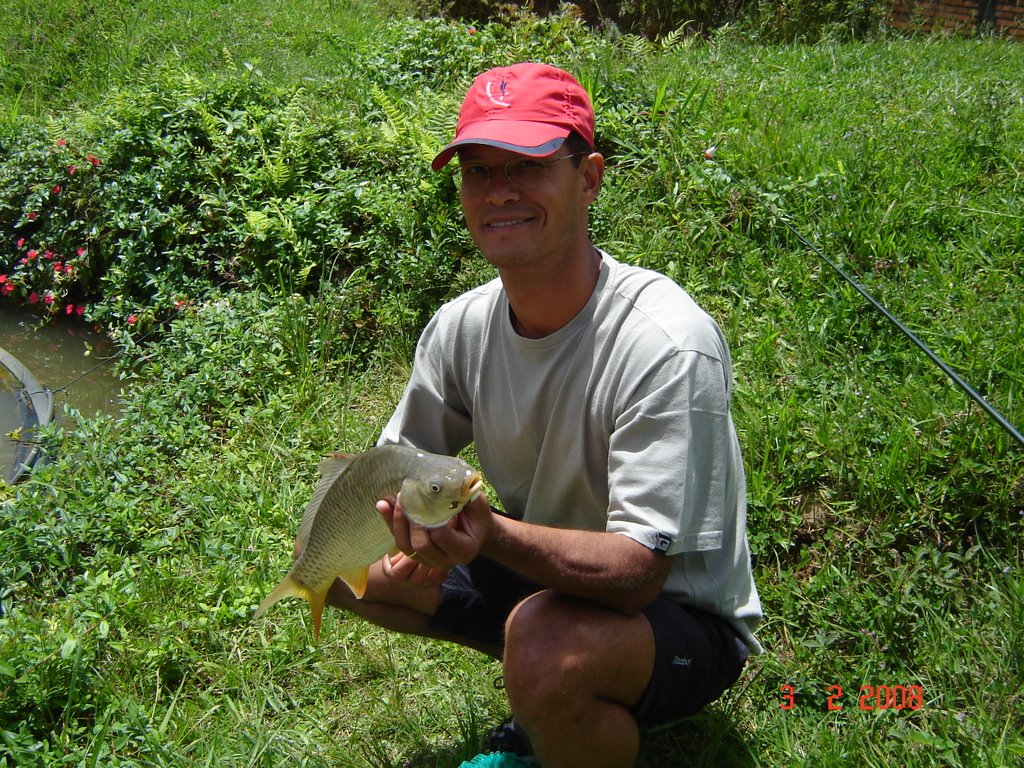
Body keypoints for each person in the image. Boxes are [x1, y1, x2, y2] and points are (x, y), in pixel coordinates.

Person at [316, 62, 763, 768]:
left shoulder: (665, 343)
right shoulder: (461, 327)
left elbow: (639, 573)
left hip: (677, 618)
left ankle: (553, 679)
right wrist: (408, 537)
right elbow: (391, 470)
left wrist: (485, 533)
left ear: (588, 178)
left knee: (547, 640)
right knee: (340, 568)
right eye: (477, 172)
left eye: (524, 165)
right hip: (542, 579)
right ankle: (542, 676)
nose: (499, 193)